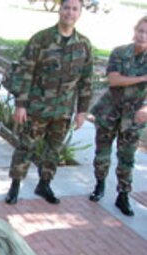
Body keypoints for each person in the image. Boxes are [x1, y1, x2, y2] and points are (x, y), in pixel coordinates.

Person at [5, 0, 93, 205]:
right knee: (25, 146)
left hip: (63, 110)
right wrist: (21, 104)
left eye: (74, 9)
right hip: (37, 107)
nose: (69, 13)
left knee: (54, 149)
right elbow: (25, 72)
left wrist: (82, 111)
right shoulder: (41, 39)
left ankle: (44, 184)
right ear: (60, 10)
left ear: (79, 13)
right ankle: (15, 186)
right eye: (66, 8)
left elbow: (86, 80)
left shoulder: (84, 45)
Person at [88, 16, 147, 216]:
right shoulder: (120, 53)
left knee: (127, 158)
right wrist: (142, 78)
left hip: (134, 118)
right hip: (109, 112)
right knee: (102, 153)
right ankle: (99, 185)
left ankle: (123, 195)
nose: (143, 36)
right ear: (134, 30)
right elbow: (114, 80)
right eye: (141, 30)